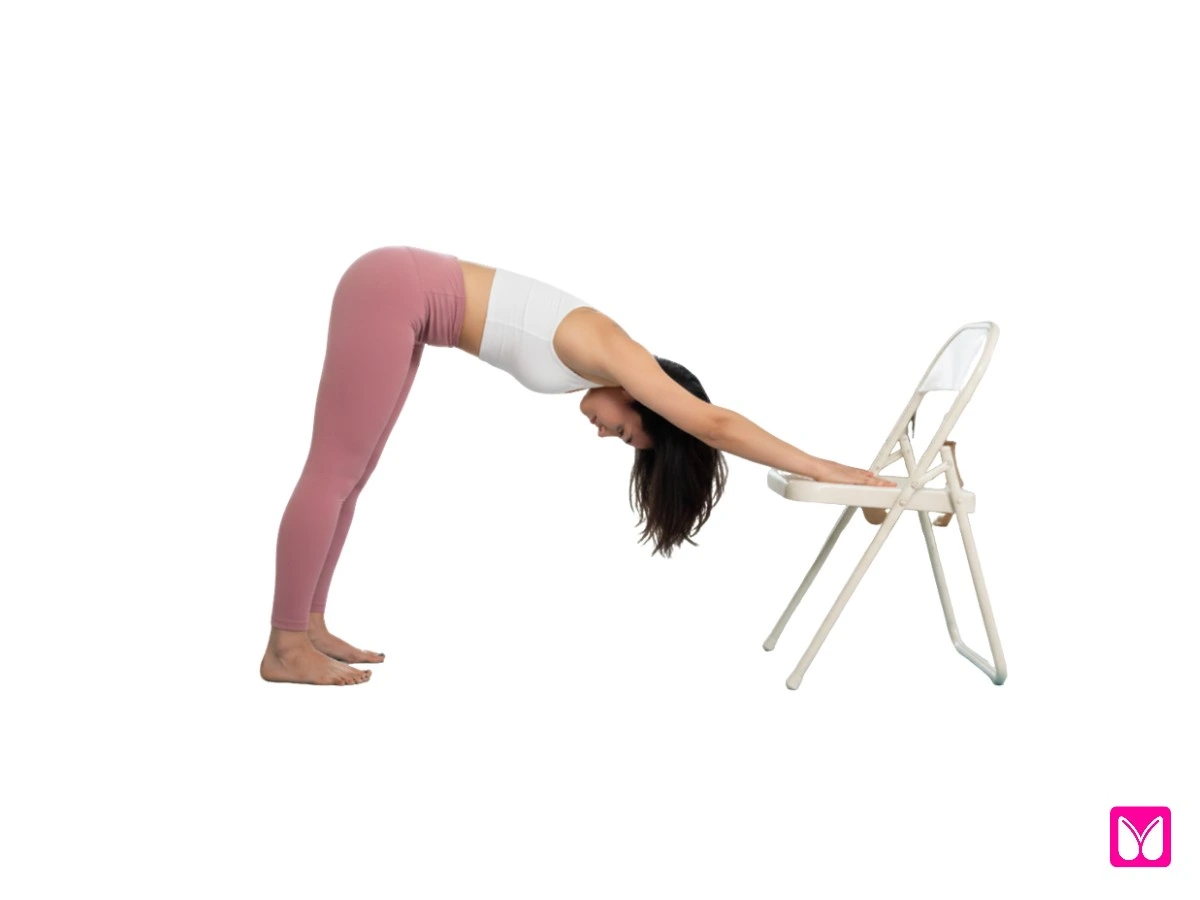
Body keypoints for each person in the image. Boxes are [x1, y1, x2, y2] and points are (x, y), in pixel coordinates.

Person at [260, 246, 896, 687]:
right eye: (625, 432)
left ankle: (309, 625)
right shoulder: (620, 355)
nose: (604, 433)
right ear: (642, 400)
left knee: (352, 478)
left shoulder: (608, 364)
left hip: (403, 299)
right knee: (334, 472)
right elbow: (714, 423)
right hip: (391, 290)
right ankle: (285, 645)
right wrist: (822, 465)